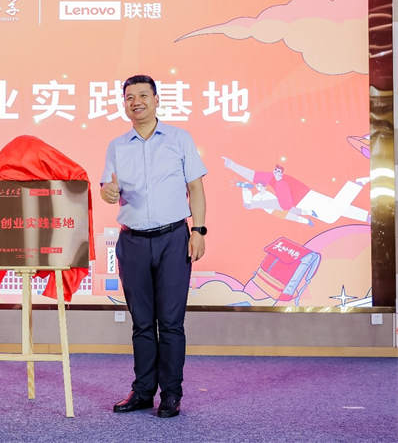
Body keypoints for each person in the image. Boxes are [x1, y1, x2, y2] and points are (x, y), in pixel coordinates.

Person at [101, 74, 207, 418]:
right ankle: (143, 391)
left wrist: (198, 230)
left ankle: (171, 394)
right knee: (142, 323)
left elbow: (196, 188)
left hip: (173, 238)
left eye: (143, 96)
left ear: (157, 100)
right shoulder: (117, 146)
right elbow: (107, 189)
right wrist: (108, 193)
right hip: (132, 240)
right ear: (124, 104)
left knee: (171, 322)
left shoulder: (179, 139)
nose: (136, 102)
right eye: (129, 97)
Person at [223, 158, 369, 224]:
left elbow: (285, 203)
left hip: (306, 199)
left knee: (331, 215)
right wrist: (232, 165)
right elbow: (252, 175)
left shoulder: (278, 181)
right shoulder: (271, 180)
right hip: (306, 198)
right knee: (335, 207)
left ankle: (355, 185)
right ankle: (366, 216)